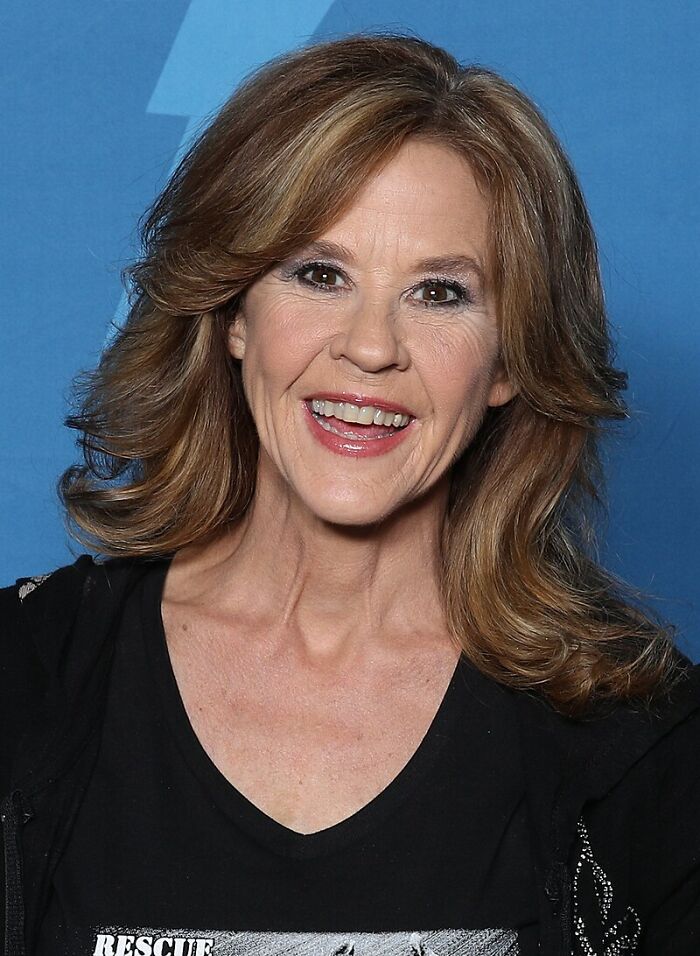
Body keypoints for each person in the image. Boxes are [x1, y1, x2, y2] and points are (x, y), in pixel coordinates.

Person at [1, 32, 698, 956]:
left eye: (440, 293)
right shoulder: (25, 679)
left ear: (508, 362)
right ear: (233, 313)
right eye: (319, 274)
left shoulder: (643, 739)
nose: (371, 348)